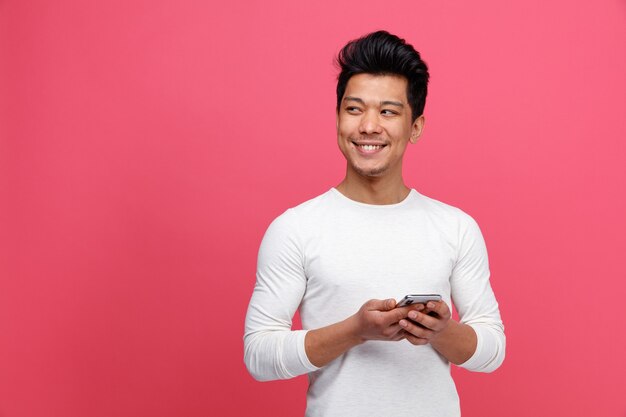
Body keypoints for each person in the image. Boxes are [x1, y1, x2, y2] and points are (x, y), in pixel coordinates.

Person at [243, 30, 505, 417]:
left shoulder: (456, 228)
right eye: (354, 109)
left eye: (388, 111)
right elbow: (259, 355)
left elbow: (492, 351)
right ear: (337, 118)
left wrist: (442, 332)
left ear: (415, 127)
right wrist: (354, 331)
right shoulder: (295, 228)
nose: (368, 126)